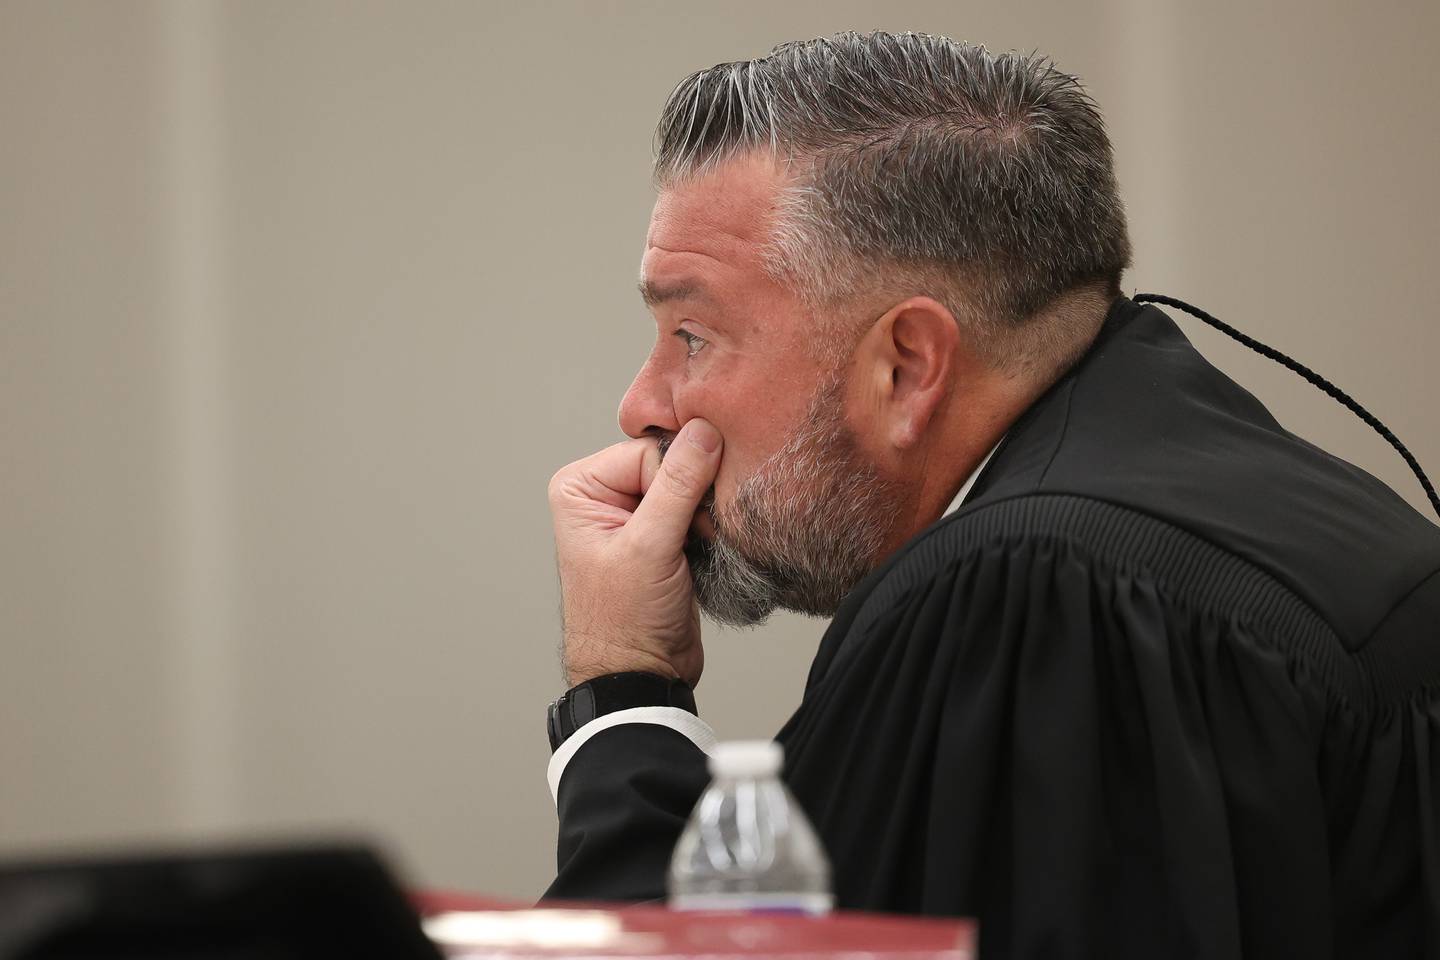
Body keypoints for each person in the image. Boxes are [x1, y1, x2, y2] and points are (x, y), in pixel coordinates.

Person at [541, 31, 1440, 958]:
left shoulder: (1038, 601)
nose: (640, 406)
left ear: (907, 365)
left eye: (691, 334)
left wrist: (623, 690)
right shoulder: (1243, 500)